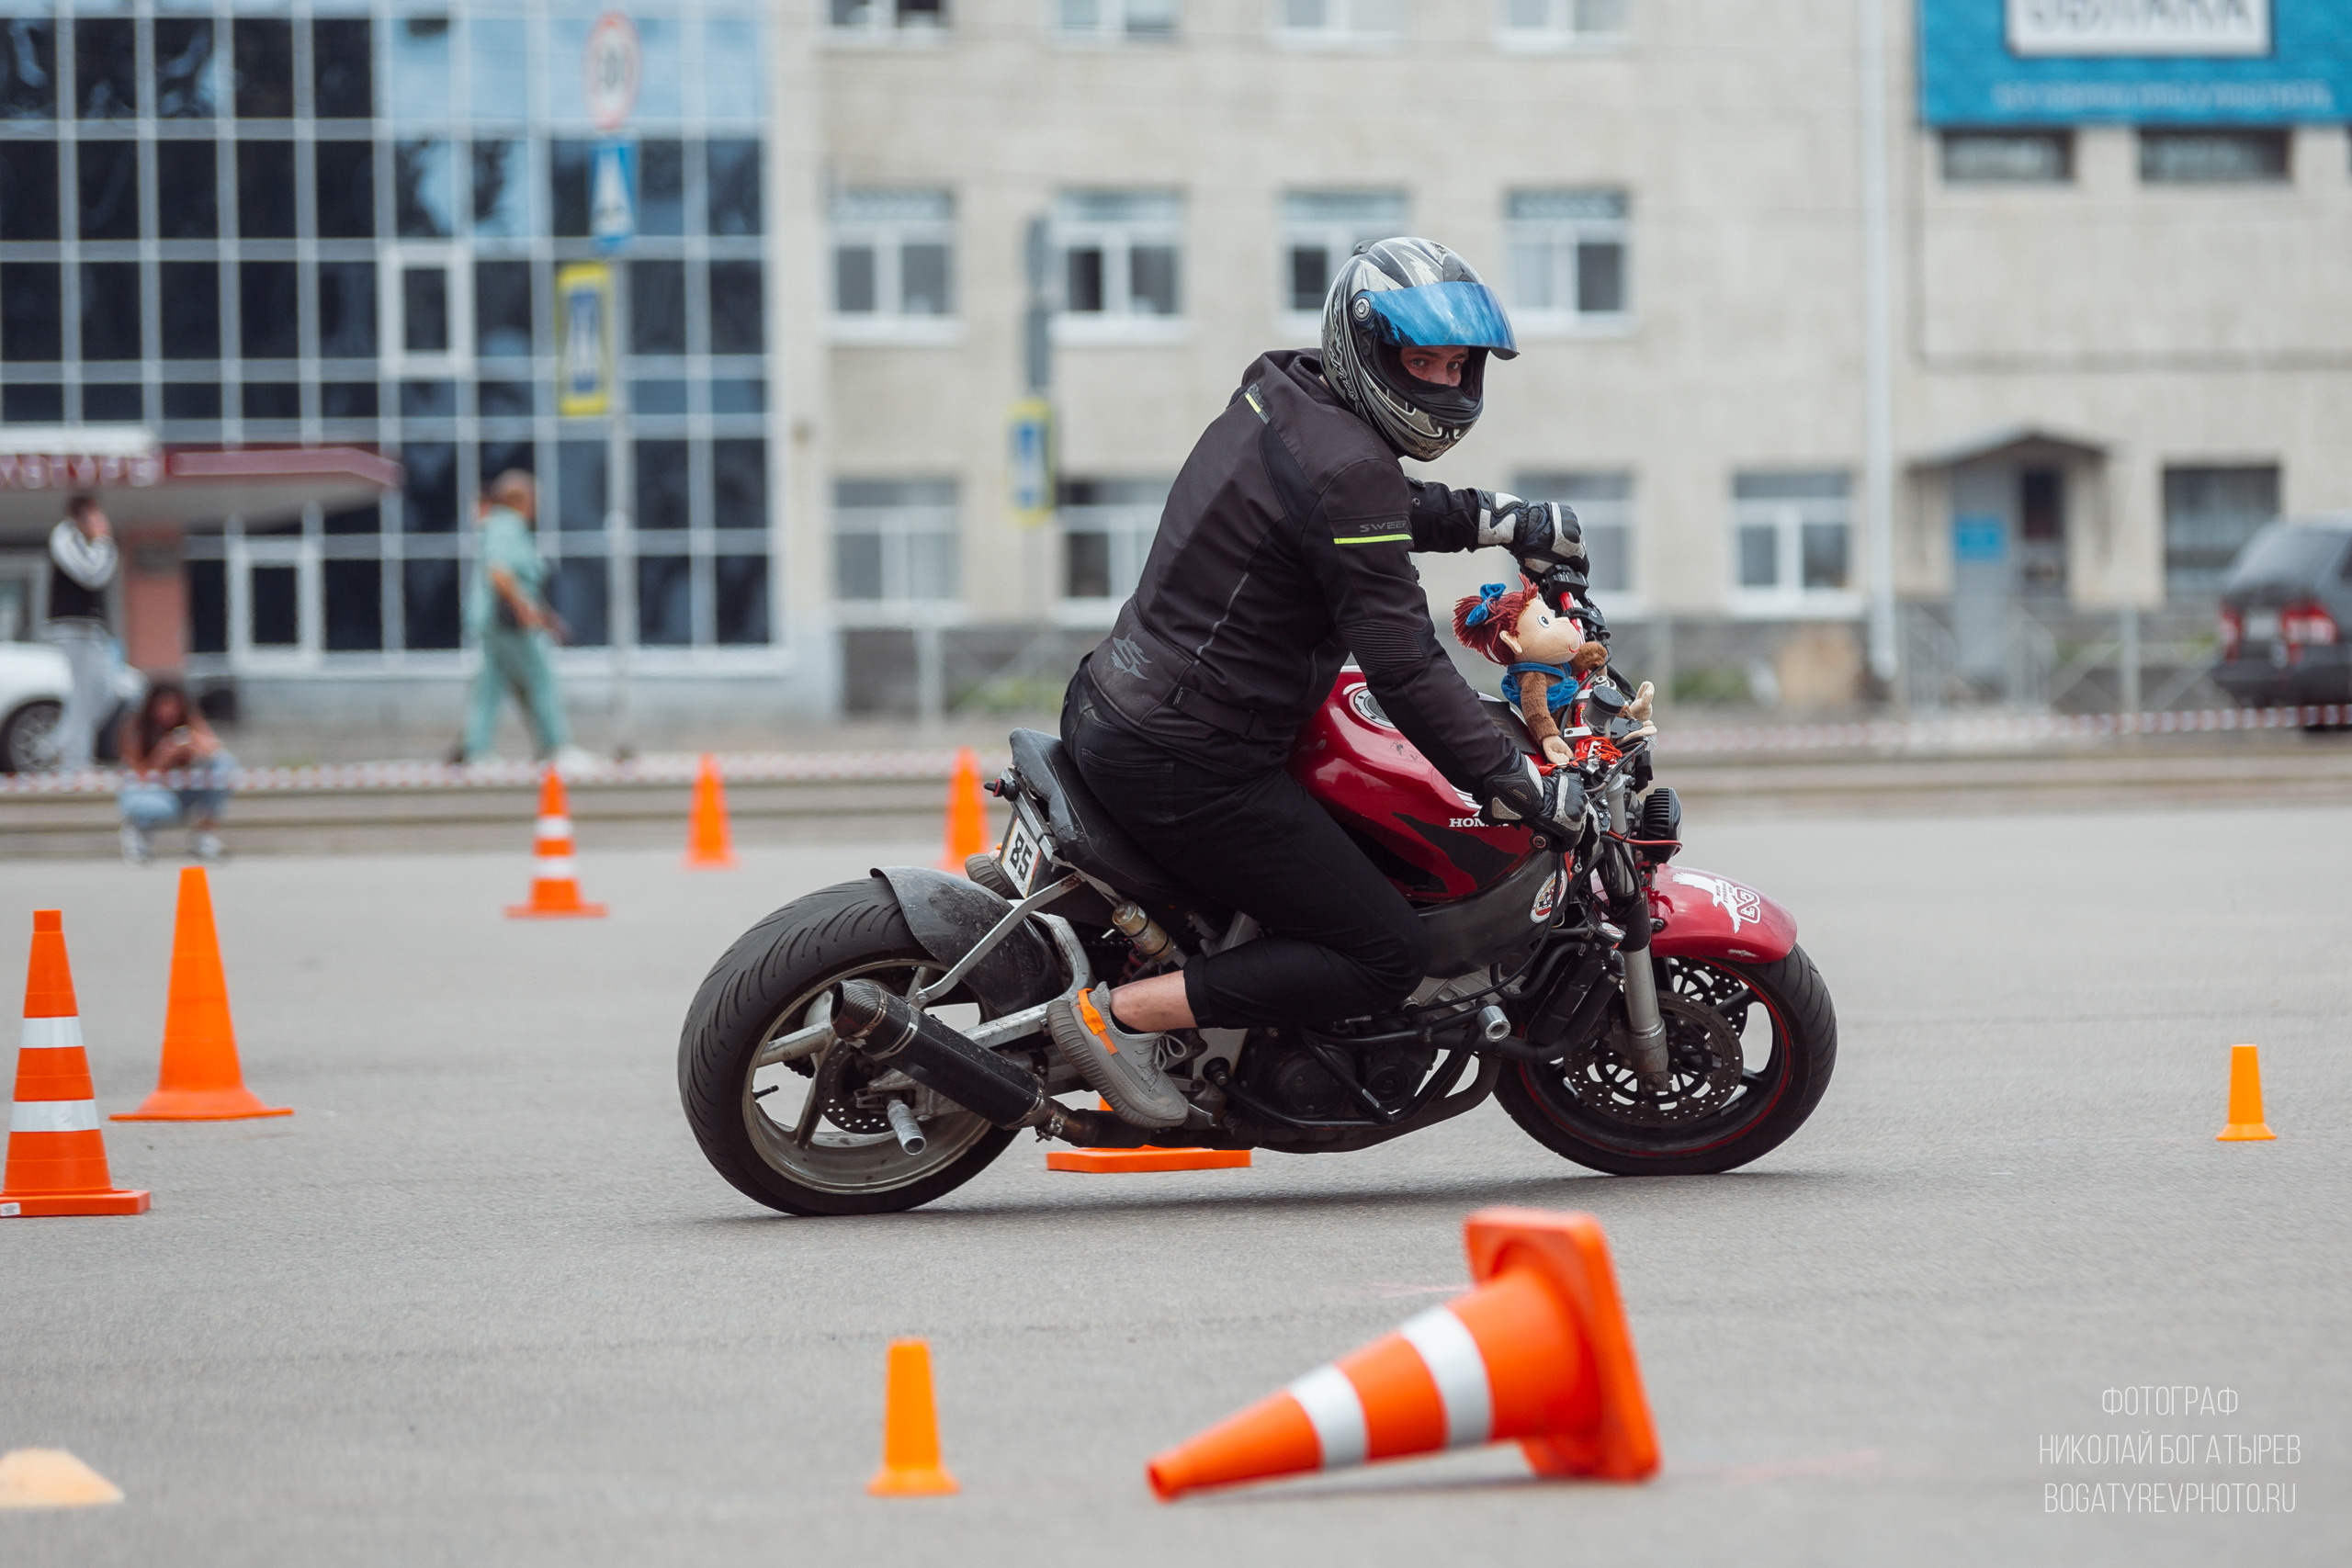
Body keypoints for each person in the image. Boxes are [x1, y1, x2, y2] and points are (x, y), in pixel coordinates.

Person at [1049, 236, 1593, 1129]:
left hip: (1127, 703)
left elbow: (1362, 512)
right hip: (1187, 758)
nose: (1443, 386)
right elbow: (1403, 661)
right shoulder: (1345, 461)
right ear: (1366, 348)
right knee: (1382, 950)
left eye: (1457, 366)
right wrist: (1510, 780)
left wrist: (1502, 521)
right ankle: (1117, 1023)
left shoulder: (1284, 395)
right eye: (1421, 362)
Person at [462, 471, 590, 769]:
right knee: (540, 678)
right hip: (508, 623)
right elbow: (499, 573)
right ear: (519, 500)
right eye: (533, 499)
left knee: (490, 685)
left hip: (496, 623)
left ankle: (476, 749)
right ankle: (555, 746)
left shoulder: (496, 525)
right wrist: (525, 610)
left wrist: (546, 616)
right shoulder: (507, 525)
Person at [118, 679, 234, 864]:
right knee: (149, 805)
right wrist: (162, 757)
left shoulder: (190, 722)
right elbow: (136, 776)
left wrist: (195, 746)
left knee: (224, 765)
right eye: (163, 705)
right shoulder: (136, 730)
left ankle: (204, 835)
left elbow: (217, 750)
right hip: (154, 793)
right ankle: (137, 832)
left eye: (174, 705)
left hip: (185, 792)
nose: (169, 711)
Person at [46, 493, 119, 771]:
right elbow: (91, 574)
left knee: (105, 691)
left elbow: (101, 574)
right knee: (82, 694)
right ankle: (76, 762)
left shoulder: (91, 543)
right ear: (82, 515)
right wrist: (102, 541)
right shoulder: (63, 537)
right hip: (71, 629)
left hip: (92, 629)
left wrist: (101, 544)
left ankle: (60, 742)